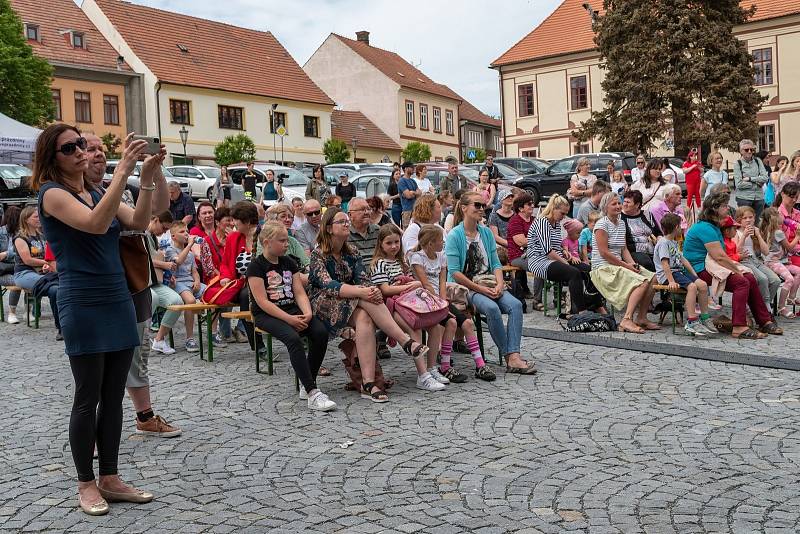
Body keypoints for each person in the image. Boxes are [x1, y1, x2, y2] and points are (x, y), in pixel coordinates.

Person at [35, 125, 159, 514]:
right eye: (69, 147)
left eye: (82, 145)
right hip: (83, 301)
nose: (80, 152)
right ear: (53, 157)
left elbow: (139, 221)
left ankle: (110, 476)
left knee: (113, 396)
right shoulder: (53, 195)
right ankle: (86, 484)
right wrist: (121, 172)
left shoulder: (94, 192)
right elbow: (93, 223)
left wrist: (149, 173)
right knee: (87, 396)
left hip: (116, 297)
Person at [308, 207, 429, 403]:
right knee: (366, 296)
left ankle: (369, 383)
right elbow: (328, 285)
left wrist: (369, 290)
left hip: (353, 302)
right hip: (324, 304)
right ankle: (405, 341)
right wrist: (363, 291)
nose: (347, 224)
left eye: (347, 220)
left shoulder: (352, 252)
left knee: (366, 313)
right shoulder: (318, 254)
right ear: (329, 228)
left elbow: (362, 279)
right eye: (342, 222)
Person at [247, 222, 335, 411]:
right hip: (267, 314)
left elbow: (299, 292)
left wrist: (308, 313)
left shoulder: (289, 262)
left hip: (292, 309)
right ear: (268, 242)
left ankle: (307, 382)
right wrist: (289, 320)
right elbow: (262, 301)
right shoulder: (256, 267)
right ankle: (312, 393)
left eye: (287, 239)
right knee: (293, 339)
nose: (287, 244)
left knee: (320, 332)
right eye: (282, 241)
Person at [447, 191, 531, 373]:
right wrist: (481, 290)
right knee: (492, 308)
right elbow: (455, 273)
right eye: (477, 205)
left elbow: (495, 263)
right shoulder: (455, 235)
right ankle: (510, 357)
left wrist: (500, 284)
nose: (481, 209)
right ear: (464, 208)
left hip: (490, 282)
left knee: (515, 305)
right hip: (468, 286)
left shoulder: (485, 233)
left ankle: (513, 355)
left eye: (483, 205)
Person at [683, 191, 780, 339]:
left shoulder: (712, 226)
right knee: (742, 282)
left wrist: (739, 270)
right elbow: (720, 257)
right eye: (724, 206)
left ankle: (764, 320)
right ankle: (739, 326)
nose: (728, 208)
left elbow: (721, 257)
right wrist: (736, 270)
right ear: (715, 209)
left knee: (750, 277)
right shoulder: (705, 228)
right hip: (698, 269)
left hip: (711, 265)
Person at [410, 224, 493, 382]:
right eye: (441, 240)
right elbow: (425, 284)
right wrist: (439, 303)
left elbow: (442, 282)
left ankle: (480, 365)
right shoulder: (417, 258)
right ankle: (445, 366)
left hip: (439, 300)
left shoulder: (441, 256)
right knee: (452, 323)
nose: (443, 243)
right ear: (430, 243)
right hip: (424, 300)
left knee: (467, 323)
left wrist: (443, 302)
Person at [369, 225, 446, 392]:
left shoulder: (401, 261)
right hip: (390, 306)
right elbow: (385, 290)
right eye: (389, 243)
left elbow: (409, 281)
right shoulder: (379, 263)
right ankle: (423, 376)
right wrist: (411, 285)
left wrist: (409, 284)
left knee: (435, 326)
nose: (394, 246)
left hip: (409, 302)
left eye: (397, 242)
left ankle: (432, 368)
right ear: (381, 244)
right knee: (414, 328)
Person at [591, 192, 659, 333]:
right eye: (614, 204)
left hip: (618, 264)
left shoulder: (621, 223)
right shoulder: (602, 224)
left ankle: (641, 317)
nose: (618, 206)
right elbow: (604, 253)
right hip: (603, 267)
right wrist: (626, 266)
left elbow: (624, 249)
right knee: (641, 282)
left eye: (619, 203)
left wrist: (633, 264)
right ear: (605, 207)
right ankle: (627, 319)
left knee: (654, 278)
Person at [526, 194, 592, 317]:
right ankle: (581, 311)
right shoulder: (542, 222)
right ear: (553, 209)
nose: (563, 217)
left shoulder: (555, 223)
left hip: (552, 258)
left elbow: (556, 247)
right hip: (539, 261)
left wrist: (564, 252)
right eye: (562, 213)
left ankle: (593, 305)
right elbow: (548, 251)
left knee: (588, 271)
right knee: (573, 273)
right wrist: (564, 261)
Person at [653, 213, 717, 336]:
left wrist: (694, 275)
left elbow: (683, 260)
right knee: (692, 287)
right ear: (676, 227)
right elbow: (665, 264)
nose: (682, 229)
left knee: (702, 285)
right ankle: (692, 321)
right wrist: (671, 281)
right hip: (669, 275)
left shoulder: (674, 243)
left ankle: (704, 317)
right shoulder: (663, 243)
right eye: (681, 226)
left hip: (678, 272)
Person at [147, 213, 195, 355]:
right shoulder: (143, 234)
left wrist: (167, 272)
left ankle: (159, 340)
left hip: (156, 280)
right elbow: (146, 259)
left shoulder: (153, 237)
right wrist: (166, 265)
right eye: (163, 227)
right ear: (155, 219)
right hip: (144, 282)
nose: (163, 232)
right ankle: (144, 338)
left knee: (176, 302)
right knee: (154, 300)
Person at [220, 201, 264, 354]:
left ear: (246, 221)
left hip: (264, 283)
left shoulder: (263, 235)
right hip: (240, 284)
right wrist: (224, 277)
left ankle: (258, 344)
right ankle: (257, 345)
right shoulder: (233, 238)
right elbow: (225, 263)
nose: (233, 224)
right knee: (245, 295)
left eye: (235, 221)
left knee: (248, 295)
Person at [13, 206, 60, 338]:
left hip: (42, 273)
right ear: (26, 219)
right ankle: (60, 327)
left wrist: (47, 265)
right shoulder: (20, 238)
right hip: (24, 274)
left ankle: (63, 326)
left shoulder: (42, 236)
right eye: (35, 216)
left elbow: (48, 256)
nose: (39, 218)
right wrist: (46, 263)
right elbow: (27, 260)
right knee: (55, 288)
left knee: (57, 288)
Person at [164, 222, 205, 352]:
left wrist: (197, 281)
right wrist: (191, 244)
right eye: (182, 232)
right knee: (191, 301)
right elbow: (179, 261)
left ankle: (214, 333)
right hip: (177, 283)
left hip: (191, 282)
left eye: (187, 231)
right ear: (174, 236)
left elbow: (194, 271)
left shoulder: (191, 254)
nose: (186, 234)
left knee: (212, 294)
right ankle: (190, 338)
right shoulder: (170, 250)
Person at [735, 206, 781, 310]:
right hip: (744, 261)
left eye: (750, 217)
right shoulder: (737, 232)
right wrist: (744, 236)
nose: (748, 220)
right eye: (745, 218)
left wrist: (758, 236)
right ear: (739, 220)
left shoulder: (756, 231)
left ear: (754, 218)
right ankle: (766, 307)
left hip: (756, 261)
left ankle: (764, 304)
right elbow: (736, 251)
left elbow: (766, 251)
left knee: (775, 280)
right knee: (762, 279)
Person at [761, 207, 800, 318]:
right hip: (773, 262)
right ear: (775, 218)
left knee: (798, 271)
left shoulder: (771, 229)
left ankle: (791, 297)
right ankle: (781, 307)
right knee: (789, 279)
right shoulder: (778, 232)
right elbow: (790, 248)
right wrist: (797, 236)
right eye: (780, 214)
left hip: (781, 261)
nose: (783, 216)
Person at [620, 190, 661, 272]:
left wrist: (659, 239)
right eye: (624, 201)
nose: (624, 204)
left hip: (654, 249)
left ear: (637, 205)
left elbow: (658, 232)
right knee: (647, 263)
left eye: (628, 202)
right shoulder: (620, 218)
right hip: (634, 252)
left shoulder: (647, 214)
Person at [506, 192, 535, 303]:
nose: (532, 205)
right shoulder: (515, 221)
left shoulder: (533, 219)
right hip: (517, 256)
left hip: (532, 253)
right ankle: (538, 301)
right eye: (529, 204)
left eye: (532, 203)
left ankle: (554, 296)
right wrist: (537, 241)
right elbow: (521, 242)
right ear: (521, 208)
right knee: (539, 266)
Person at [733, 139, 769, 222]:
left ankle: (756, 235)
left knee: (758, 223)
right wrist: (756, 183)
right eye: (746, 150)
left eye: (752, 149)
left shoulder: (758, 161)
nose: (749, 152)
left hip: (759, 198)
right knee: (746, 222)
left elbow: (765, 178)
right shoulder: (738, 164)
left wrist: (750, 179)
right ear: (741, 151)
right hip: (744, 198)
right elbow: (739, 184)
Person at [0, 206, 22, 324]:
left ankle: (30, 312)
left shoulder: (22, 233)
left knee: (36, 280)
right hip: (3, 271)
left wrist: (6, 254)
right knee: (18, 281)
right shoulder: (0, 232)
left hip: (18, 267)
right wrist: (12, 254)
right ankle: (12, 313)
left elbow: (24, 253)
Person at [348, 197, 381, 264]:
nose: (366, 212)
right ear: (350, 215)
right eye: (362, 209)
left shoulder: (377, 230)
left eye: (368, 209)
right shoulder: (345, 234)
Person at [776, 181, 800, 255]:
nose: (794, 200)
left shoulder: (798, 213)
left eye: (796, 197)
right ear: (782, 194)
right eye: (791, 197)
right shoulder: (777, 215)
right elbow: (784, 245)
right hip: (786, 253)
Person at [398, 161, 420, 228]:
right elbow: (408, 195)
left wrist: (412, 192)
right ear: (406, 169)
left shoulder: (413, 181)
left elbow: (420, 193)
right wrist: (413, 194)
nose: (413, 169)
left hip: (415, 210)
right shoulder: (402, 181)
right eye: (412, 167)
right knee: (407, 229)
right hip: (407, 210)